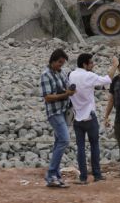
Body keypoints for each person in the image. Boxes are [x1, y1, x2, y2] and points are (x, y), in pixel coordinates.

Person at [69, 53, 118, 184]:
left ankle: (83, 177)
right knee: (94, 145)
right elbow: (107, 79)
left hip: (77, 117)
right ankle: (97, 174)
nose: (93, 65)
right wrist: (115, 65)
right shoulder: (89, 76)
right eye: (91, 63)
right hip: (90, 117)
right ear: (85, 64)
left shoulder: (71, 75)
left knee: (80, 148)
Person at [40, 47, 75, 188]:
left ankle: (56, 176)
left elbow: (66, 89)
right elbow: (47, 97)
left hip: (64, 111)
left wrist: (71, 91)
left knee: (58, 142)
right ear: (53, 60)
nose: (61, 65)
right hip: (54, 112)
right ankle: (51, 175)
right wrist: (65, 94)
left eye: (63, 63)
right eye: (60, 62)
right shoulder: (46, 75)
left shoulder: (62, 73)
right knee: (64, 140)